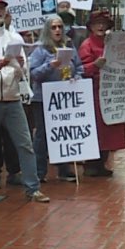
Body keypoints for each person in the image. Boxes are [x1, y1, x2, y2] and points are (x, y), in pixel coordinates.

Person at [0, 0, 48, 203]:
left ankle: (33, 187)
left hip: (12, 98)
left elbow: (23, 71)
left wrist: (18, 65)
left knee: (25, 143)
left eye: (2, 8)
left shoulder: (14, 39)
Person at [28, 14, 84, 182]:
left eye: (60, 26)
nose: (58, 30)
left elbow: (79, 67)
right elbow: (33, 74)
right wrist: (49, 65)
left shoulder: (69, 47)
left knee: (63, 133)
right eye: (54, 27)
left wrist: (77, 77)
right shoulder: (40, 50)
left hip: (65, 97)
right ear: (47, 30)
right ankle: (39, 172)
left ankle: (64, 169)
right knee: (43, 135)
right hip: (44, 99)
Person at [78, 10, 125, 177]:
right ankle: (91, 164)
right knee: (95, 127)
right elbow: (81, 70)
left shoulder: (111, 43)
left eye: (103, 23)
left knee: (109, 128)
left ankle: (102, 162)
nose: (100, 26)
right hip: (93, 92)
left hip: (110, 91)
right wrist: (95, 65)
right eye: (97, 23)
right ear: (91, 27)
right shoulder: (87, 45)